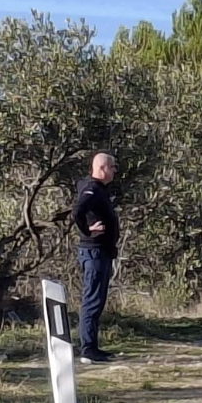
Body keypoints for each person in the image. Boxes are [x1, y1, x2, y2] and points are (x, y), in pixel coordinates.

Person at [72, 152, 119, 363]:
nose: (114, 171)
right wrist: (88, 230)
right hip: (94, 252)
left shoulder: (98, 189)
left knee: (97, 300)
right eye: (113, 167)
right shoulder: (92, 188)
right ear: (102, 168)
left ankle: (93, 347)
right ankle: (88, 348)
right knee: (91, 301)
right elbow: (78, 210)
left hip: (101, 252)